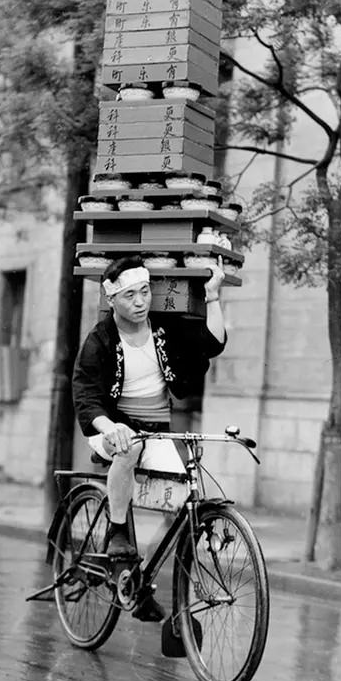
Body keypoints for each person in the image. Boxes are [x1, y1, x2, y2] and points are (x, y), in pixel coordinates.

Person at [72, 254, 226, 620]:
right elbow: (85, 393)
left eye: (145, 292)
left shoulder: (162, 330)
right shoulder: (100, 339)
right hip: (112, 428)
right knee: (128, 448)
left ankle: (137, 579)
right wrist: (110, 427)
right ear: (112, 300)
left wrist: (214, 296)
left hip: (155, 432)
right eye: (130, 296)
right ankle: (120, 536)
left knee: (183, 504)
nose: (140, 302)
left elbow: (212, 343)